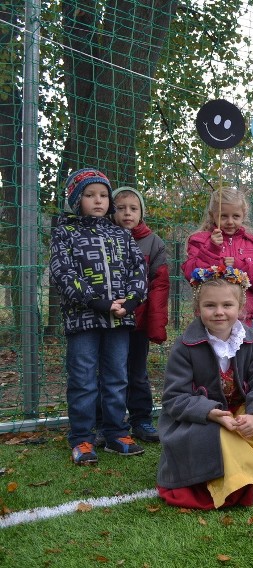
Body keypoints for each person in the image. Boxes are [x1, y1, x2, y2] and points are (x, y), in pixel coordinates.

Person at [157, 266, 253, 509]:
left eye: (227, 305)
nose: (219, 312)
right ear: (198, 309)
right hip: (203, 419)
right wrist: (211, 413)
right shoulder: (185, 346)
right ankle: (242, 481)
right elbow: (174, 398)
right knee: (220, 433)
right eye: (210, 306)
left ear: (240, 307)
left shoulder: (251, 339)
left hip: (241, 411)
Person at [49, 168, 148, 465]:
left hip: (119, 320)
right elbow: (62, 273)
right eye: (90, 195)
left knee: (117, 377)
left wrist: (130, 302)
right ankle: (81, 438)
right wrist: (101, 303)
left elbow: (138, 270)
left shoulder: (122, 234)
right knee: (82, 379)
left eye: (104, 195)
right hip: (83, 321)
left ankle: (116, 433)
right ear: (76, 199)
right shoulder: (64, 232)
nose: (98, 201)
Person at [110, 186, 170, 442]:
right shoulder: (103, 237)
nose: (127, 213)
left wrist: (154, 322)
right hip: (110, 320)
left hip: (138, 321)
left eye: (133, 209)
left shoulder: (153, 241)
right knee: (112, 372)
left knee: (137, 372)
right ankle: (108, 422)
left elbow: (160, 283)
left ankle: (141, 420)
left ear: (141, 212)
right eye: (121, 208)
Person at [182, 186, 253, 325]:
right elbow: (191, 274)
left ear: (243, 215)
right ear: (213, 215)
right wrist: (211, 249)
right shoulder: (200, 241)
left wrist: (242, 267)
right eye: (224, 216)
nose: (230, 221)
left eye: (235, 216)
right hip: (210, 318)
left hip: (244, 318)